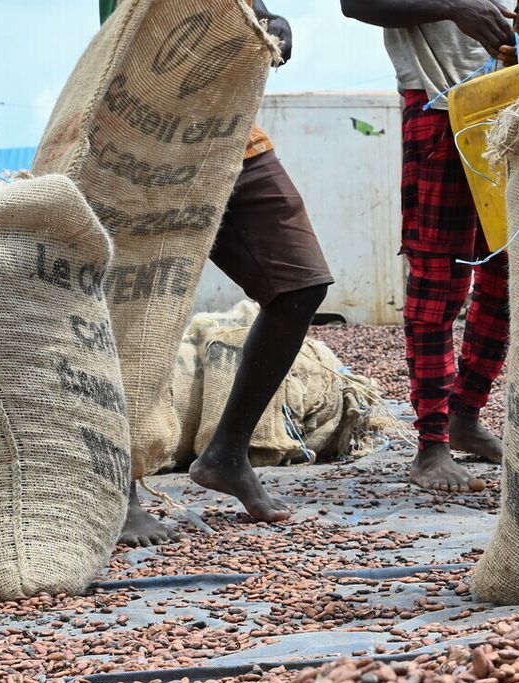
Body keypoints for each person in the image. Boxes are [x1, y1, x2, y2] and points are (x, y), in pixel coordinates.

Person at [117, 0, 334, 547]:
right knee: (135, 311)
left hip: (235, 136)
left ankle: (227, 454)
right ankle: (119, 488)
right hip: (145, 140)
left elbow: (252, 15)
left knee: (299, 283)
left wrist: (273, 28)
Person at [340, 0, 519, 492]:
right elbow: (357, 3)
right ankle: (431, 445)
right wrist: (456, 9)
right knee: (439, 282)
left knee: (508, 274)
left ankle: (466, 415)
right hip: (437, 100)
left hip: (507, 101)